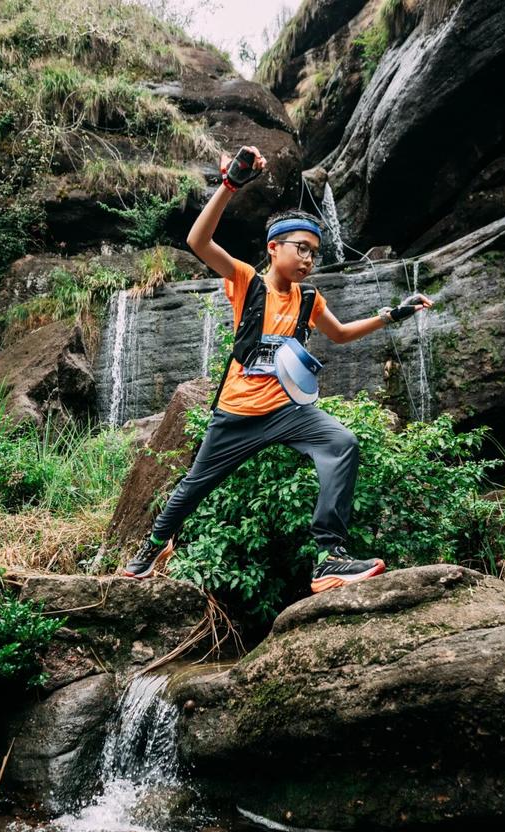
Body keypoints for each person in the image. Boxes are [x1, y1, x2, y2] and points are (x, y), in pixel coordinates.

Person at [123, 146, 432, 592]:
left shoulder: (310, 299)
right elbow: (198, 242)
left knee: (341, 442)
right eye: (301, 249)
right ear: (274, 248)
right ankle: (152, 547)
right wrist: (230, 185)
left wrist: (392, 315)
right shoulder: (246, 280)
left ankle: (329, 556)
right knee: (194, 485)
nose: (308, 259)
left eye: (315, 253)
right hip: (238, 413)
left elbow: (341, 334)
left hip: (288, 410)